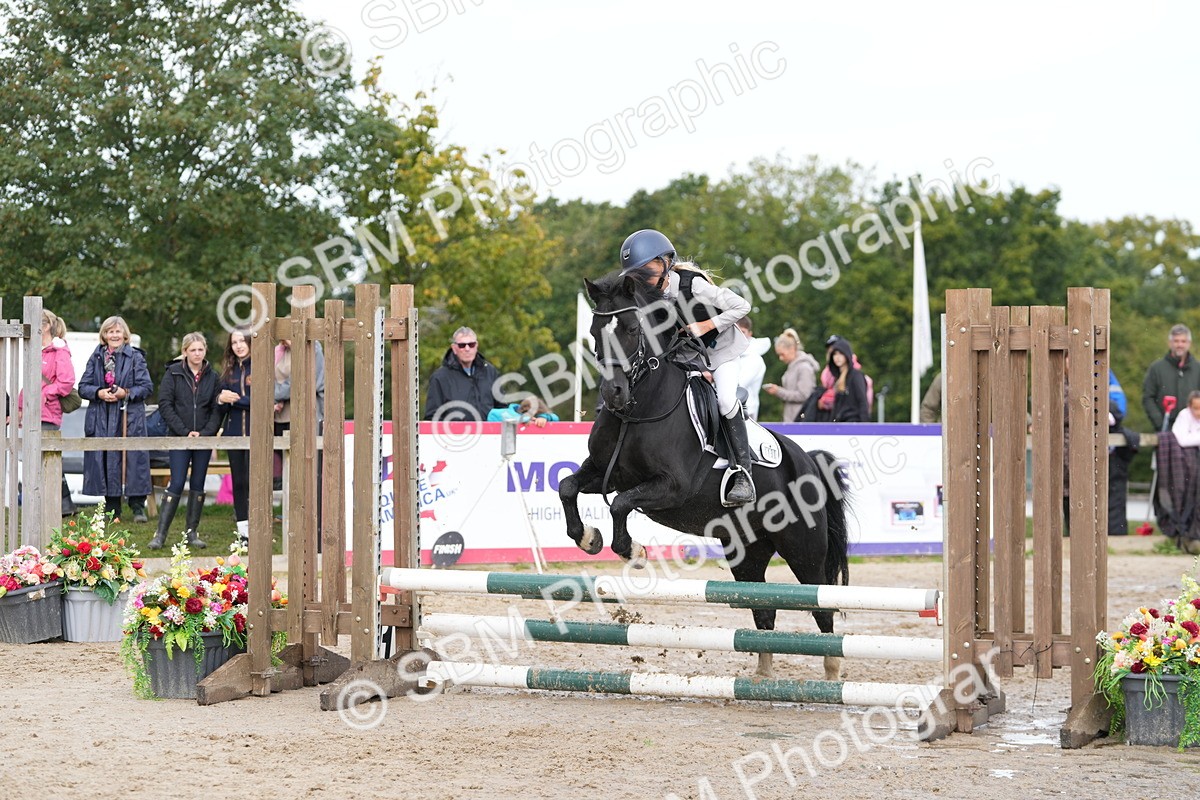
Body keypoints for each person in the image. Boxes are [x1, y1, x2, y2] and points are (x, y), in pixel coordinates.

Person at [618, 228, 755, 506]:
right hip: (690, 357)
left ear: (664, 263)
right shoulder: (649, 297)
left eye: (644, 273)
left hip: (722, 352)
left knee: (726, 400)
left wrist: (705, 325)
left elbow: (742, 306)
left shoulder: (693, 284)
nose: (640, 281)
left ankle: (743, 472)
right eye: (636, 276)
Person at [150, 332, 224, 550]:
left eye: (201, 349)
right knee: (177, 480)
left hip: (203, 438)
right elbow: (165, 404)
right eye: (193, 350)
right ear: (185, 352)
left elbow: (217, 408)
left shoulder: (213, 376)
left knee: (198, 482)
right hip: (178, 437)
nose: (197, 353)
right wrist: (183, 432)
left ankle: (192, 532)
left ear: (205, 351)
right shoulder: (172, 373)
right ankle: (160, 534)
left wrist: (205, 433)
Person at [78, 316, 154, 522]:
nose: (114, 335)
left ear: (124, 334)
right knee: (107, 460)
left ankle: (138, 506)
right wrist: (99, 393)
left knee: (134, 460)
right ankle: (112, 509)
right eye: (110, 331)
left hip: (129, 416)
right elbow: (83, 387)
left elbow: (146, 387)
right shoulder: (96, 357)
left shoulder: (135, 357)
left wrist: (124, 392)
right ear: (104, 335)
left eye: (117, 331)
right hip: (102, 417)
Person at [17, 310, 76, 515]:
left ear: (46, 326)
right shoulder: (36, 351)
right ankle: (58, 506)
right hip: (32, 413)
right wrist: (19, 407)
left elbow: (66, 382)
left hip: (47, 413)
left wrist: (46, 393)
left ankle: (61, 506)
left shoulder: (59, 351)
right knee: (36, 461)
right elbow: (28, 384)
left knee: (47, 460)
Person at [217, 327, 253, 546]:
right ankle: (243, 530)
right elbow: (220, 405)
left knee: (255, 481)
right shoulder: (228, 370)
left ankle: (259, 527)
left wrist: (235, 399)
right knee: (238, 482)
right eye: (234, 342)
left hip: (255, 433)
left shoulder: (260, 367)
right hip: (232, 433)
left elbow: (262, 401)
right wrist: (221, 400)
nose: (239, 345)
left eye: (242, 341)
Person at [424, 327, 503, 422]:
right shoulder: (440, 378)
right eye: (462, 345)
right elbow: (432, 417)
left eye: (471, 344)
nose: (467, 349)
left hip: (489, 435)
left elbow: (502, 409)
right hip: (455, 435)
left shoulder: (490, 372)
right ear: (454, 348)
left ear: (476, 346)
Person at [1143, 324, 1200, 431]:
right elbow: (1148, 398)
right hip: (1165, 429)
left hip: (1193, 429)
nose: (1180, 345)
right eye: (1176, 341)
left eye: (1183, 341)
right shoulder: (1156, 368)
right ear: (1170, 343)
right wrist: (1159, 423)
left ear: (1189, 343)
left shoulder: (1198, 368)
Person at [763, 328, 819, 422]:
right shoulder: (792, 367)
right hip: (792, 418)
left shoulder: (804, 367)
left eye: (782, 354)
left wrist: (778, 391)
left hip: (802, 419)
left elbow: (804, 395)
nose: (780, 358)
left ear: (792, 349)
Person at [817, 336, 869, 422]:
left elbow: (862, 402)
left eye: (840, 353)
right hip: (840, 425)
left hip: (854, 424)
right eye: (834, 354)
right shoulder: (836, 379)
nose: (837, 357)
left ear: (846, 354)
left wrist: (864, 428)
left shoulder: (856, 376)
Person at [733, 317, 769, 420]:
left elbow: (738, 384)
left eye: (743, 331)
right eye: (737, 331)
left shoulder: (754, 359)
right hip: (730, 408)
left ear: (750, 334)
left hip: (746, 411)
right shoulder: (732, 354)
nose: (739, 335)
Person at [487, 394, 560, 427]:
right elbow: (492, 414)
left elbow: (555, 417)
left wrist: (544, 417)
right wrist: (523, 419)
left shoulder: (541, 415)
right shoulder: (508, 412)